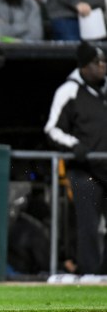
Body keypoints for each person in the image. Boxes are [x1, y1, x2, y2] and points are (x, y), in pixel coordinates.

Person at [44, 42, 107, 275]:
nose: (101, 67)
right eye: (96, 63)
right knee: (88, 226)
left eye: (104, 62)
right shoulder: (68, 90)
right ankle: (89, 276)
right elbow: (51, 129)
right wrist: (74, 145)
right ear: (83, 66)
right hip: (85, 169)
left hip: (106, 166)